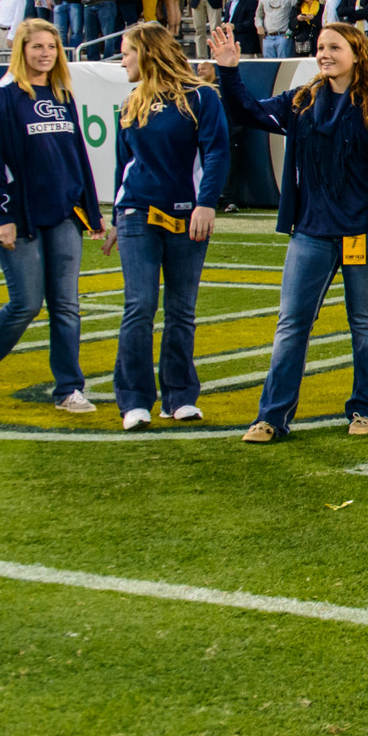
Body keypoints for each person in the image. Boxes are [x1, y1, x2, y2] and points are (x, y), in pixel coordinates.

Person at [208, 23, 368, 443]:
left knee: (366, 324)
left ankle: (367, 410)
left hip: (364, 233)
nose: (324, 54)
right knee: (292, 324)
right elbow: (250, 112)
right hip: (312, 232)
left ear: (356, 53)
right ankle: (272, 417)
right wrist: (229, 71)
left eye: (334, 47)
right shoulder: (302, 99)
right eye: (320, 47)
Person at [0, 20, 103, 415]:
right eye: (37, 46)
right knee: (25, 303)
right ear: (20, 49)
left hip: (62, 214)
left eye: (52, 47)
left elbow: (77, 157)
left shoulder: (62, 94)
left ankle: (69, 388)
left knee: (66, 306)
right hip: (17, 216)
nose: (45, 54)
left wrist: (92, 212)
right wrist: (0, 211)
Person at [101, 23, 230, 431]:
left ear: (148, 53)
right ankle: (134, 400)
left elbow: (217, 152)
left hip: (186, 214)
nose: (122, 61)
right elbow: (124, 166)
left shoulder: (201, 98)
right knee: (139, 306)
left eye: (126, 53)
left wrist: (206, 203)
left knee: (181, 310)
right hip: (136, 213)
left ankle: (180, 396)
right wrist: (115, 219)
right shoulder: (131, 101)